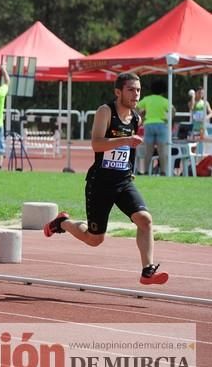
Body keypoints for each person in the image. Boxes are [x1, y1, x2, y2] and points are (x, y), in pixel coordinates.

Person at [43, 72, 169, 286]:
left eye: (138, 90)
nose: (136, 94)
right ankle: (62, 223)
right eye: (131, 90)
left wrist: (128, 167)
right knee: (95, 239)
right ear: (118, 92)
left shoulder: (136, 117)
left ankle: (147, 270)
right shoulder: (105, 112)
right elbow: (97, 144)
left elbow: (129, 149)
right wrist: (125, 140)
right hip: (100, 183)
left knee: (144, 219)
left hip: (123, 181)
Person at [136, 79, 173, 175]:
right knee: (162, 150)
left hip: (148, 124)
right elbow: (173, 110)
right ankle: (163, 172)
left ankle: (146, 171)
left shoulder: (147, 99)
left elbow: (137, 106)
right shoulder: (165, 101)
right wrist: (168, 119)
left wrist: (141, 115)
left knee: (148, 150)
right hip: (161, 125)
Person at [189, 87, 212, 156]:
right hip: (194, 128)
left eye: (202, 93)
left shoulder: (205, 102)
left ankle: (205, 161)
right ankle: (192, 162)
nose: (201, 94)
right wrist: (193, 97)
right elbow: (191, 108)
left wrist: (206, 117)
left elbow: (211, 112)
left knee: (206, 144)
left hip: (202, 127)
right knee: (193, 145)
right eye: (199, 93)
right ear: (196, 93)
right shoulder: (192, 102)